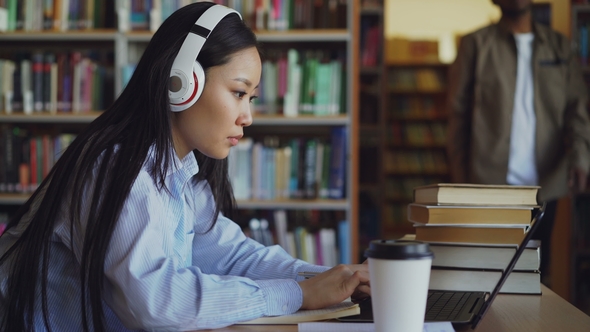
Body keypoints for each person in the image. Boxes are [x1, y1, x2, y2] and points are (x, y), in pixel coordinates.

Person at [0, 3, 370, 331]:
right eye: (239, 93)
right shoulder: (117, 168)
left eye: (251, 98)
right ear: (182, 83)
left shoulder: (180, 173)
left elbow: (231, 256)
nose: (248, 116)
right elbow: (156, 303)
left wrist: (338, 278)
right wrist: (298, 294)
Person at [447, 0, 590, 285]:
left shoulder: (559, 46)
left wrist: (581, 158)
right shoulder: (476, 44)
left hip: (545, 187)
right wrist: (461, 182)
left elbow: (577, 109)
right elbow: (457, 115)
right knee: (485, 278)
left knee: (537, 277)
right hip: (487, 188)